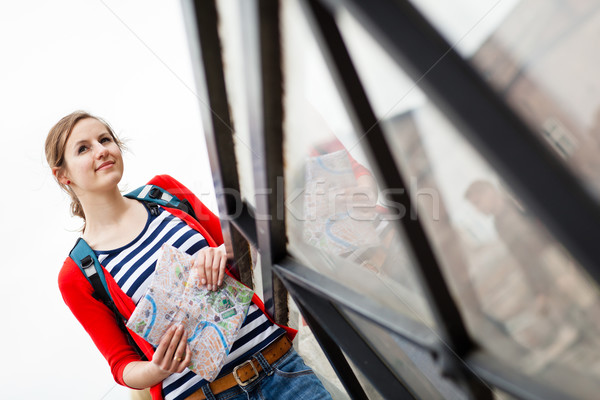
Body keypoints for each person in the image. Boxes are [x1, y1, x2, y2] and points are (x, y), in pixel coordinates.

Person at [46, 111, 332, 400]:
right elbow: (122, 365)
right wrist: (157, 369)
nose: (101, 150)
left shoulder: (165, 193)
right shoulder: (77, 274)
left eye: (105, 139)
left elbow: (249, 251)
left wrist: (223, 251)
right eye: (84, 148)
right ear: (63, 175)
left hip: (281, 369)